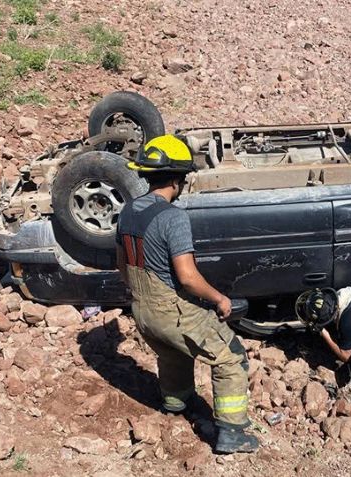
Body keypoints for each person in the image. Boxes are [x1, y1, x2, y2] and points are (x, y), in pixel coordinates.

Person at [116, 134, 258, 454]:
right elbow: (189, 278)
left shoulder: (127, 212)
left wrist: (147, 296)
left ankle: (175, 402)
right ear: (178, 179)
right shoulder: (173, 217)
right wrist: (219, 299)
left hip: (141, 310)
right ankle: (232, 433)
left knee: (172, 351)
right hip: (170, 311)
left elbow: (122, 267)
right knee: (231, 357)